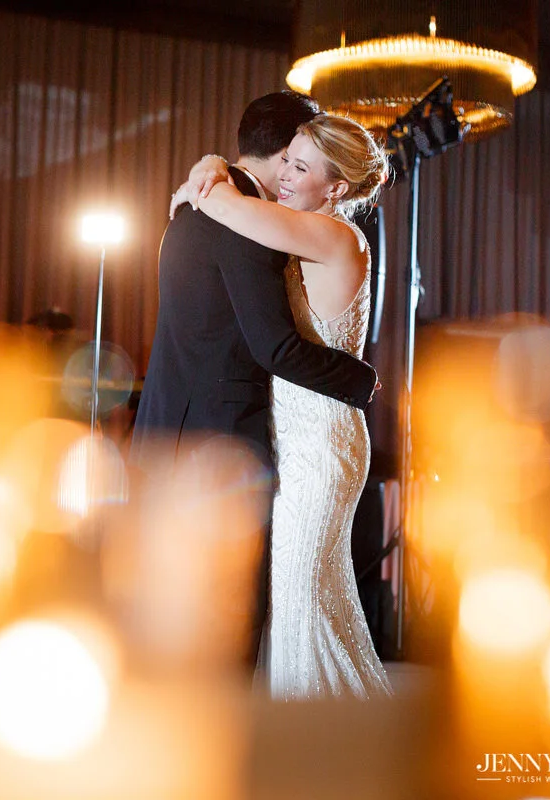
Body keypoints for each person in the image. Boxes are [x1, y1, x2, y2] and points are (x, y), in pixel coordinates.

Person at [129, 91, 379, 676]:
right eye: (289, 159)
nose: (289, 173)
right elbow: (275, 348)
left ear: (335, 183)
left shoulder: (238, 211)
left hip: (261, 435)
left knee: (281, 611)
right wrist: (362, 379)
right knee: (236, 621)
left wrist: (209, 170)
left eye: (302, 164)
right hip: (221, 439)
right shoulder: (244, 216)